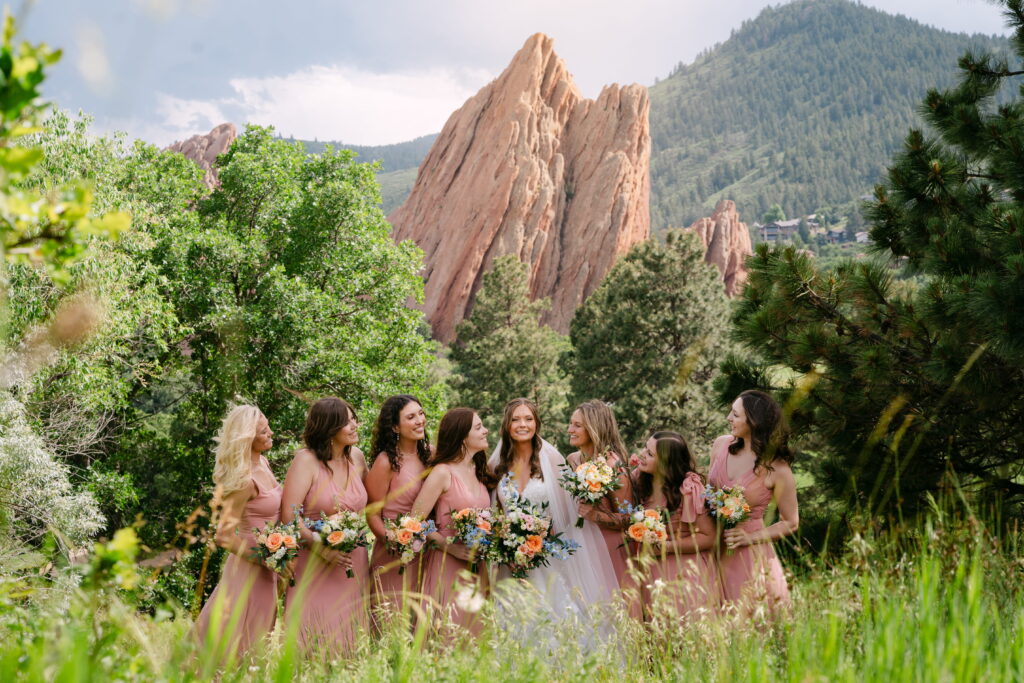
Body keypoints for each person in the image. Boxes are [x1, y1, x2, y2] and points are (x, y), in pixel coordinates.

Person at [489, 399, 618, 637]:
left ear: (537, 423)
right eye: (516, 419)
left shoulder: (553, 459)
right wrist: (507, 547)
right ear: (506, 425)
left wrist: (538, 542)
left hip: (548, 558)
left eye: (528, 419)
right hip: (511, 563)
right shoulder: (496, 464)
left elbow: (567, 515)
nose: (522, 425)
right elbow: (493, 514)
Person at [195, 405, 282, 660]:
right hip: (248, 569)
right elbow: (223, 535)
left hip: (269, 569)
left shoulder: (264, 463)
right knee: (234, 639)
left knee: (259, 640)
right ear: (248, 437)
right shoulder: (244, 479)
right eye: (264, 431)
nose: (271, 433)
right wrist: (265, 558)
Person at [281, 397, 369, 651]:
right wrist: (320, 546)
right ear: (328, 428)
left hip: (354, 561)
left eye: (354, 420)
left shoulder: (358, 459)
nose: (354, 426)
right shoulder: (306, 461)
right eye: (347, 422)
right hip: (314, 560)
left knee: (349, 638)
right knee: (312, 637)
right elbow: (290, 516)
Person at [708, 390, 798, 612]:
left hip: (750, 556)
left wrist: (749, 537)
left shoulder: (777, 468)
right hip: (712, 546)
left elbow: (791, 522)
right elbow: (706, 493)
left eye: (736, 414)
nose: (729, 418)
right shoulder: (721, 445)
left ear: (755, 421)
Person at [411, 408, 493, 634]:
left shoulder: (480, 470)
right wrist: (449, 547)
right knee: (447, 634)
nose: (485, 431)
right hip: (447, 566)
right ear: (462, 436)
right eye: (478, 427)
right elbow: (415, 521)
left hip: (478, 568)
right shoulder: (442, 472)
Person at [630, 431, 718, 619]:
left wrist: (667, 547)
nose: (642, 454)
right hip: (651, 570)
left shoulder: (688, 487)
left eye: (650, 454)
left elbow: (709, 536)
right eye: (645, 448)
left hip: (684, 570)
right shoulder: (639, 478)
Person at [365, 394, 431, 612]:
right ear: (395, 427)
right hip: (392, 554)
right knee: (391, 617)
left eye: (421, 414)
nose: (420, 420)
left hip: (427, 551)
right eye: (411, 417)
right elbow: (372, 513)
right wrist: (393, 541)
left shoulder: (432, 455)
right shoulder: (386, 462)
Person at [566, 400, 633, 587]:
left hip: (610, 549)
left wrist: (596, 515)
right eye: (571, 423)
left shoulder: (613, 465)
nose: (570, 429)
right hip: (581, 546)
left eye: (577, 425)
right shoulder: (572, 460)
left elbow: (629, 519)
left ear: (595, 428)